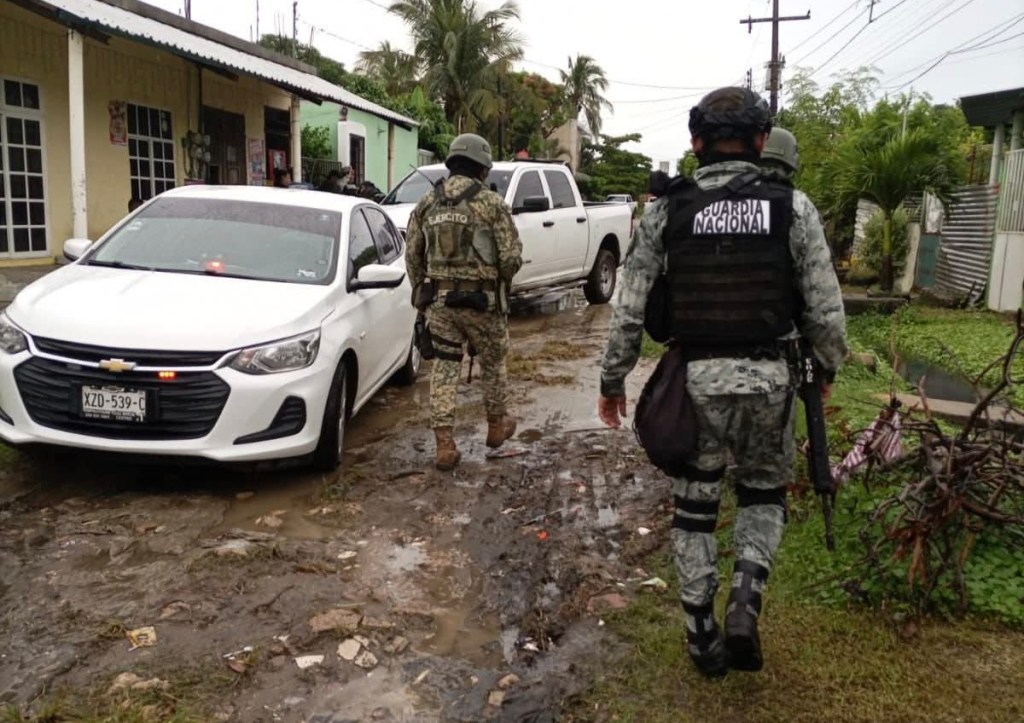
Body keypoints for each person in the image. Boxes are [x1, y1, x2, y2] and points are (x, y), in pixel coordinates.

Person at [597, 87, 847, 677]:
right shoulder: (793, 207)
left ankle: (701, 634)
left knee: (695, 508)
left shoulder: (667, 209)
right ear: (761, 141)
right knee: (763, 492)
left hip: (697, 384)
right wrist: (826, 371)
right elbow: (826, 311)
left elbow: (629, 307)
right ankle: (746, 596)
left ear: (695, 143)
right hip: (773, 381)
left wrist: (614, 380)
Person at [405, 134, 523, 471]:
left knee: (443, 368)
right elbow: (511, 258)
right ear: (483, 169)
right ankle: (497, 427)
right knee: (493, 363)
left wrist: (422, 294)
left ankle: (444, 444)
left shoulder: (427, 202)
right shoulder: (492, 204)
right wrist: (499, 281)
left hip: (441, 303)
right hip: (483, 303)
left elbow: (412, 255)